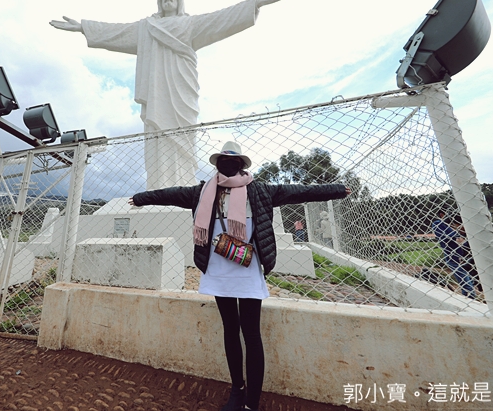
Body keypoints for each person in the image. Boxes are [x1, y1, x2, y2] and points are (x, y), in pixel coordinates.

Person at [128, 141, 350, 411]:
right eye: (224, 160)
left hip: (247, 267)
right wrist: (140, 198)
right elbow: (169, 195)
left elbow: (300, 191)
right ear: (217, 164)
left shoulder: (259, 190)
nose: (228, 164)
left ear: (242, 165)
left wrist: (337, 190)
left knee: (251, 333)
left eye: (233, 161)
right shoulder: (203, 191)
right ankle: (237, 390)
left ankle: (252, 402)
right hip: (218, 269)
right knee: (230, 330)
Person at [51, 0, 295, 190]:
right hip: (157, 95)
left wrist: (255, 4)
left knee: (182, 138)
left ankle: (183, 187)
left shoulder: (190, 24)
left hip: (182, 93)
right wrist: (84, 27)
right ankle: (158, 188)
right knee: (157, 137)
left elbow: (221, 19)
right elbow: (117, 32)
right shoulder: (147, 27)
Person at [431, 209, 476, 299]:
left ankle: (469, 294)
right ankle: (470, 296)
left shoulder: (454, 223)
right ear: (442, 214)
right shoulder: (438, 223)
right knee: (462, 276)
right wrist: (457, 233)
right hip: (452, 254)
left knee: (467, 276)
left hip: (464, 253)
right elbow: (443, 236)